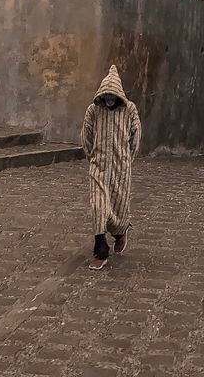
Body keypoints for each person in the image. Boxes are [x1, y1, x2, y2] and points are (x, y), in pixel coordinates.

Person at [81, 65, 141, 271]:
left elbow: (135, 137)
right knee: (98, 205)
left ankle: (119, 232)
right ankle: (100, 248)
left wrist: (125, 160)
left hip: (121, 168)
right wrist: (93, 158)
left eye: (111, 95)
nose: (108, 99)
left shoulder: (129, 110)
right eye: (105, 95)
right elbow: (86, 137)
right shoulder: (93, 110)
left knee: (117, 206)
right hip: (98, 166)